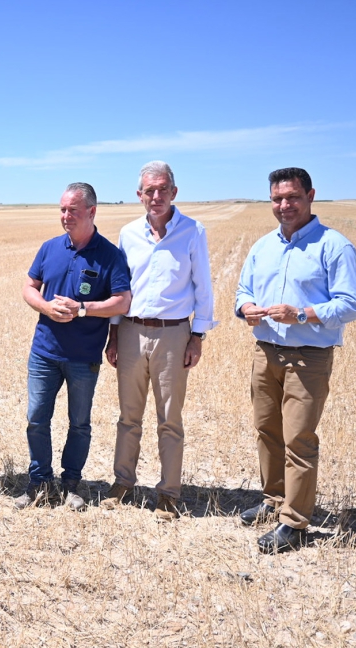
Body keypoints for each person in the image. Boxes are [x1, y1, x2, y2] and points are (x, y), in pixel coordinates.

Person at [235, 167, 356, 553]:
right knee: (267, 431)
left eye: (292, 197)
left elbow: (353, 303)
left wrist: (304, 314)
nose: (284, 205)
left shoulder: (334, 246)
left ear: (311, 196)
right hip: (266, 352)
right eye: (277, 198)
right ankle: (273, 500)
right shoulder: (263, 246)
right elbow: (243, 289)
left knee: (299, 440)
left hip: (308, 357)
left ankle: (294, 523)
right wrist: (247, 307)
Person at [102, 162, 217, 520]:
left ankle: (168, 493)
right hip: (132, 331)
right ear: (139, 195)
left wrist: (197, 335)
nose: (156, 196)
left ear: (174, 192)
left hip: (174, 334)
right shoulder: (128, 233)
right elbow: (120, 288)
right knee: (128, 415)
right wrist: (114, 334)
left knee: (170, 417)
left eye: (162, 189)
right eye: (149, 191)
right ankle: (123, 482)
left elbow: (204, 287)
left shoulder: (193, 231)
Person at [17, 182, 132, 511]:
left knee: (79, 423)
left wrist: (83, 309)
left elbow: (122, 301)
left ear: (92, 212)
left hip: (84, 356)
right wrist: (45, 307)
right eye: (62, 209)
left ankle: (71, 484)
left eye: (73, 210)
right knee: (37, 418)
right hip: (44, 352)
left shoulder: (109, 255)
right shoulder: (50, 247)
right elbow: (29, 287)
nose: (66, 216)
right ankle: (39, 481)